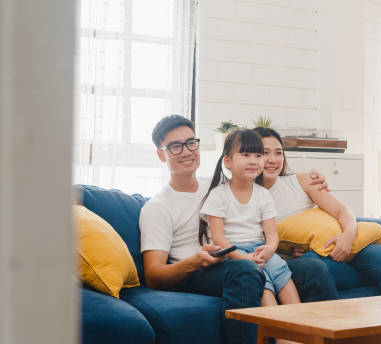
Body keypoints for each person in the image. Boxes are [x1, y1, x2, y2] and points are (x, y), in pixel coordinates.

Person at [139, 115, 336, 344]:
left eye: (191, 143)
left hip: (242, 256)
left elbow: (257, 179)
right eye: (175, 147)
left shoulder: (217, 185)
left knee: (312, 268)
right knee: (246, 271)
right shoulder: (158, 207)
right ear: (161, 154)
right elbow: (153, 276)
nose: (186, 151)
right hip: (198, 272)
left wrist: (311, 180)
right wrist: (195, 261)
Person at [253, 127, 381, 295]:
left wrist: (348, 236)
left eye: (278, 153)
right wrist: (288, 253)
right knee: (316, 267)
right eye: (265, 152)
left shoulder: (303, 181)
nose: (273, 160)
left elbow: (342, 211)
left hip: (343, 244)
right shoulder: (246, 196)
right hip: (310, 257)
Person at [199, 129, 301, 309]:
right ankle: (279, 333)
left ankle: (300, 325)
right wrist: (241, 256)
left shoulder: (263, 195)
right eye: (245, 154)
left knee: (281, 272)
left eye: (258, 155)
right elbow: (218, 237)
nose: (253, 160)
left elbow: (271, 233)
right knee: (262, 279)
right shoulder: (218, 195)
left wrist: (270, 249)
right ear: (228, 161)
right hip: (231, 252)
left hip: (259, 247)